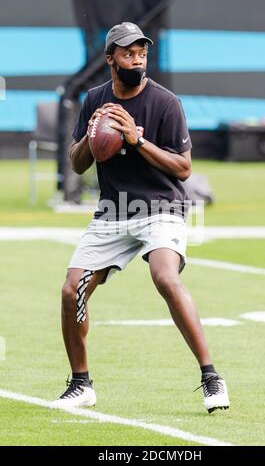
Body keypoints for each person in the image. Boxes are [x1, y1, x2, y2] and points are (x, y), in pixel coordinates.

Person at [52, 22, 230, 414]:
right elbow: (77, 164)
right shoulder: (94, 99)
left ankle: (211, 376)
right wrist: (94, 133)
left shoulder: (166, 103)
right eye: (128, 53)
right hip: (114, 211)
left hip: (161, 207)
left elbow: (183, 169)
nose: (136, 59)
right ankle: (81, 384)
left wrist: (137, 139)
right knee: (71, 291)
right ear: (110, 58)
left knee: (165, 276)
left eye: (142, 53)